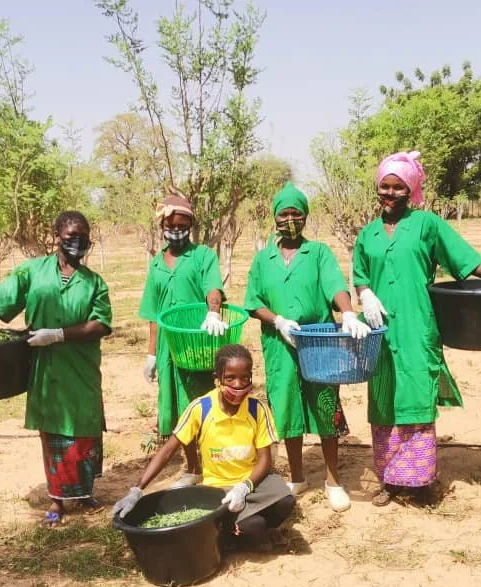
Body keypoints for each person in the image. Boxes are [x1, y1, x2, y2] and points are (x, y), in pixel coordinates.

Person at [354, 150, 481, 507]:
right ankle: (390, 479)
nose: (390, 194)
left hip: (417, 325)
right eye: (385, 186)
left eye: (399, 187)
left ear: (410, 190)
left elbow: (466, 260)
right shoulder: (368, 234)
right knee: (383, 397)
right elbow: (360, 276)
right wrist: (364, 295)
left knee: (416, 394)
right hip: (379, 329)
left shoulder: (427, 225)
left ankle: (419, 481)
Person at [0, 211, 112, 525]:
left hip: (80, 367)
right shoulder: (33, 272)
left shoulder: (94, 282)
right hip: (46, 368)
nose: (77, 242)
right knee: (53, 431)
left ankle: (83, 492)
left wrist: (58, 334)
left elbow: (101, 324)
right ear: (56, 235)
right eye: (70, 236)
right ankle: (57, 500)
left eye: (83, 236)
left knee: (85, 428)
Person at [244, 182, 370, 512]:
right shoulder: (263, 259)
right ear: (274, 218)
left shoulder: (318, 253)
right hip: (279, 343)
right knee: (287, 406)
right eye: (283, 214)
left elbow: (335, 286)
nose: (289, 219)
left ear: (305, 218)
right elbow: (253, 302)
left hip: (319, 341)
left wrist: (349, 312)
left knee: (325, 405)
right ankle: (297, 476)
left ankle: (332, 480)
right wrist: (278, 321)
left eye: (296, 214)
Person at [114, 344, 295, 551]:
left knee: (285, 501)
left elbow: (265, 459)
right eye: (230, 378)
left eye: (245, 378)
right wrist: (137, 489)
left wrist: (245, 487)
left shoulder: (257, 409)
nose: (238, 384)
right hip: (217, 490)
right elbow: (167, 451)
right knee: (254, 527)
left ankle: (247, 521)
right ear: (217, 378)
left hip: (252, 482)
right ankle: (239, 526)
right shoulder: (201, 408)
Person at [139, 194, 228, 488]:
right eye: (171, 225)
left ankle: (216, 465)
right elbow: (153, 313)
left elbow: (213, 288)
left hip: (196, 341)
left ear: (190, 224)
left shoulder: (203, 256)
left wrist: (213, 312)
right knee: (179, 409)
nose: (176, 230)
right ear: (162, 225)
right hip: (168, 346)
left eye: (182, 224)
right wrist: (151, 354)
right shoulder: (155, 264)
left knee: (203, 403)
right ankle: (193, 468)